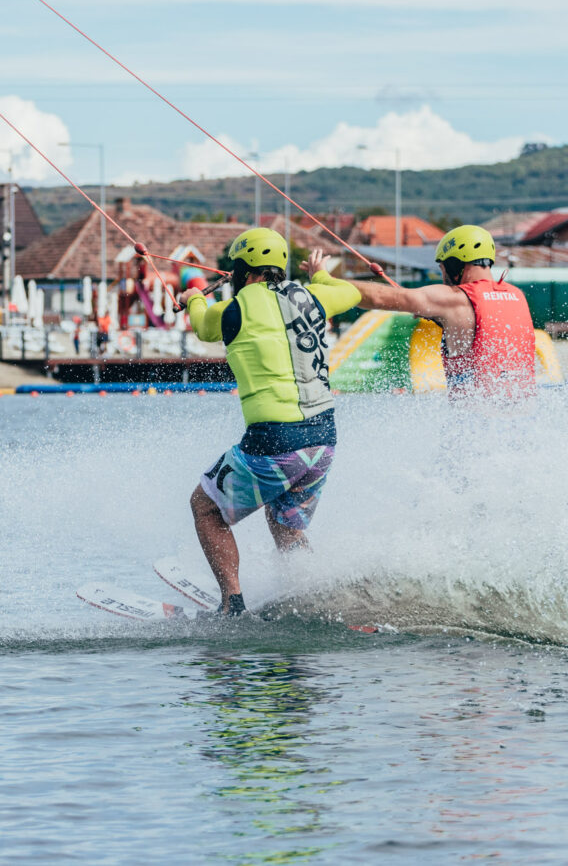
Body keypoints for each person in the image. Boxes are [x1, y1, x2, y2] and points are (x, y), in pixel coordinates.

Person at [177, 227, 361, 616]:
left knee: (206, 508)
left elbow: (202, 325)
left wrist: (193, 297)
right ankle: (311, 595)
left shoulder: (233, 309)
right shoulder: (311, 295)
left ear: (243, 270)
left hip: (274, 442)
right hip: (323, 441)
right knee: (286, 523)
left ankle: (231, 603)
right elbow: (352, 293)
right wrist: (320, 276)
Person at [331, 224, 535, 398]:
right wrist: (442, 318)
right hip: (520, 426)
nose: (443, 274)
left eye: (443, 267)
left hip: (476, 428)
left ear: (456, 264)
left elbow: (379, 297)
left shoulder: (455, 298)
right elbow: (483, 329)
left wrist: (326, 282)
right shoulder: (517, 296)